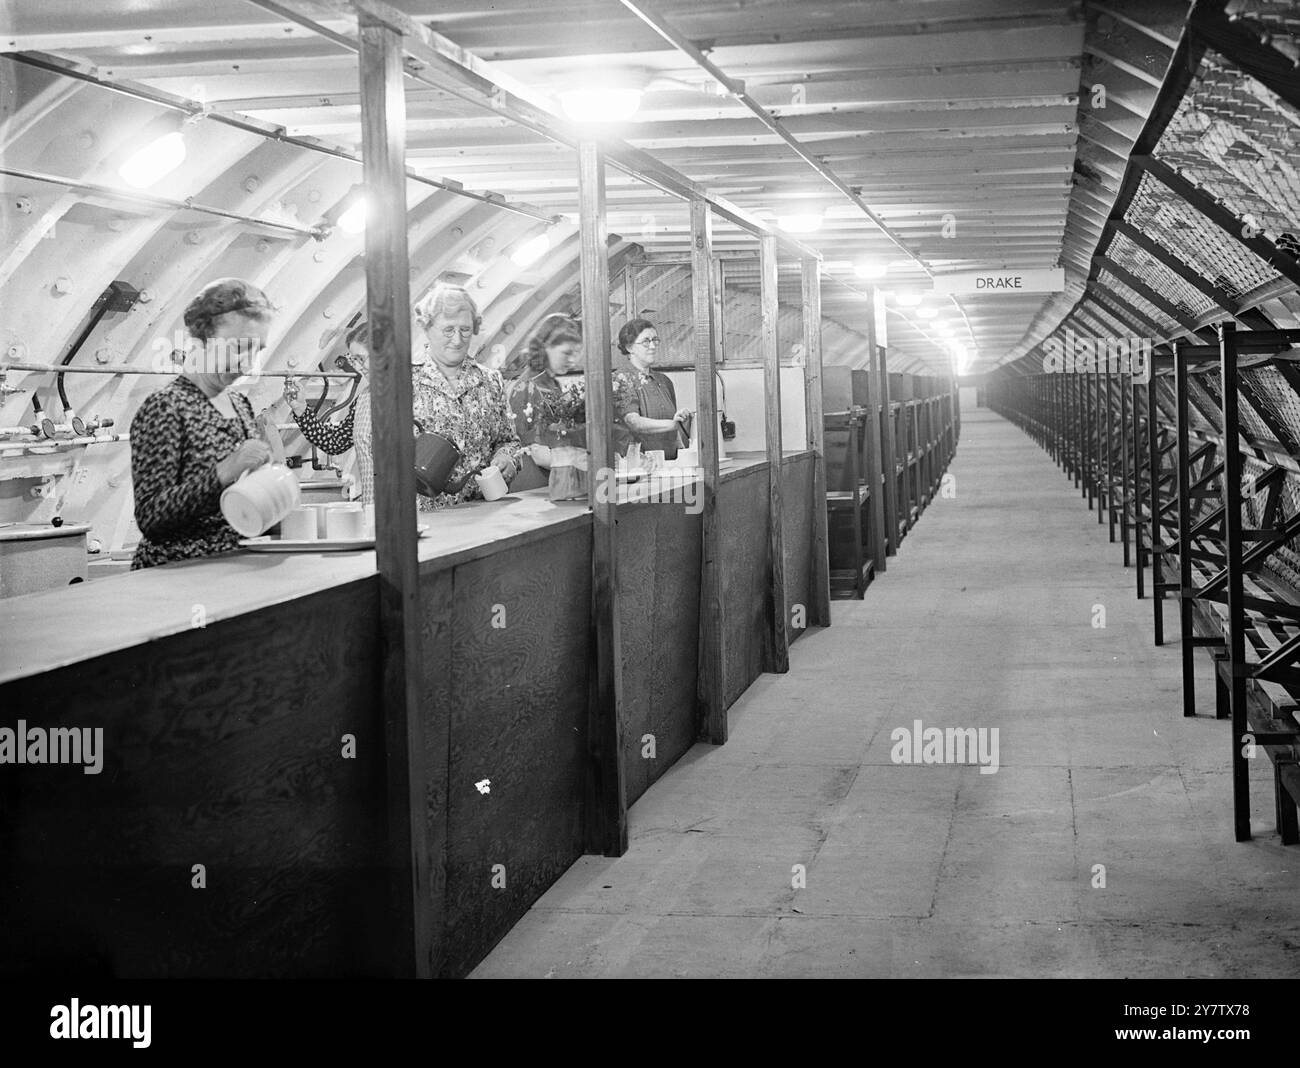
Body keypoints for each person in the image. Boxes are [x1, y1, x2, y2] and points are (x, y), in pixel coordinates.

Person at [130, 278, 274, 569]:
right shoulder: (166, 407)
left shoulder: (238, 403)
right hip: (179, 573)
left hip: (231, 566)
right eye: (239, 348)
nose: (248, 365)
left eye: (257, 350)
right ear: (200, 341)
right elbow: (151, 516)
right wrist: (224, 471)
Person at [412, 283, 524, 509]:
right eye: (448, 330)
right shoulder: (403, 382)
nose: (457, 339)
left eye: (465, 330)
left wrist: (507, 459)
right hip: (424, 519)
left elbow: (509, 441)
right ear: (426, 328)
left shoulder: (491, 381)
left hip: (483, 511)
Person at [283, 320, 373, 503]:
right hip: (376, 503)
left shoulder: (412, 392)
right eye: (353, 359)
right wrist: (302, 410)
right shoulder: (364, 399)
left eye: (361, 359)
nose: (358, 366)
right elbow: (335, 442)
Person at [505, 314, 585, 491]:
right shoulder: (527, 387)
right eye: (566, 353)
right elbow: (534, 452)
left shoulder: (551, 383)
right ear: (545, 347)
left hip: (553, 480)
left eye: (575, 354)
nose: (572, 361)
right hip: (534, 485)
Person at [614, 318, 692, 460]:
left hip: (669, 463)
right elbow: (633, 422)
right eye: (646, 341)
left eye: (655, 340)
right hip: (640, 466)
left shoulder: (664, 381)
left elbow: (674, 430)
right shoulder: (621, 379)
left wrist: (684, 453)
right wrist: (671, 424)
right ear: (629, 347)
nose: (652, 346)